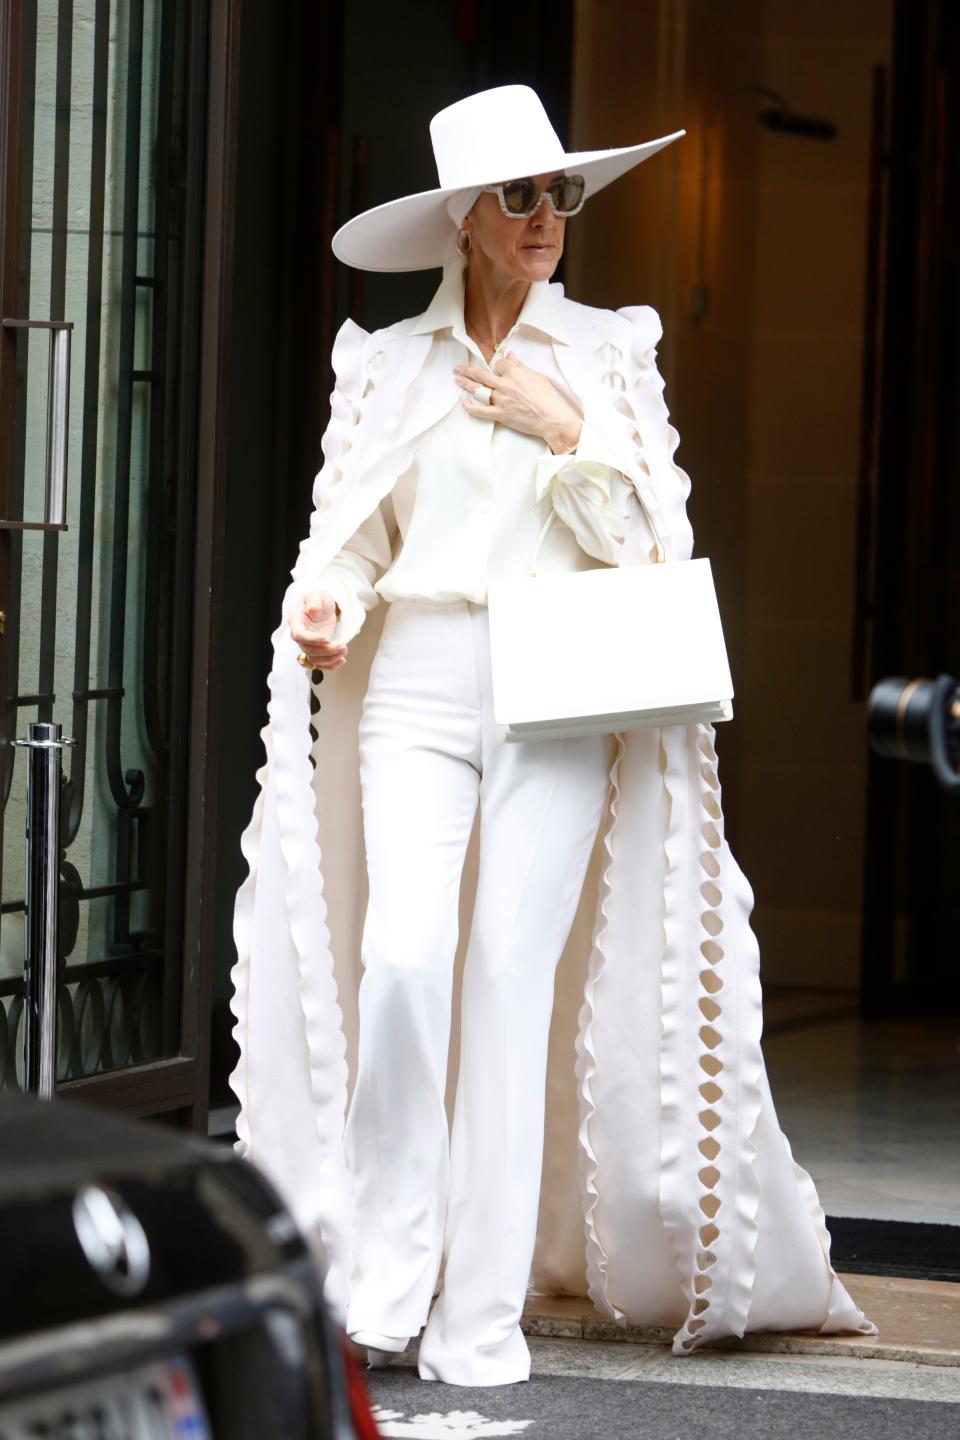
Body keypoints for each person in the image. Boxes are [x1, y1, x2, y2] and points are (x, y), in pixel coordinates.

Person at [229, 84, 877, 1388]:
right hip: (412, 675)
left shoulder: (605, 357)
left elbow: (645, 541)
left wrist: (561, 425)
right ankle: (381, 1285)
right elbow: (358, 536)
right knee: (404, 964)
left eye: (561, 194)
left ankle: (477, 1318)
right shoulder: (393, 364)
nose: (547, 217)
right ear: (466, 217)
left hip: (558, 684)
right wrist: (327, 602)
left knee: (507, 984)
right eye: (521, 196)